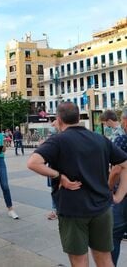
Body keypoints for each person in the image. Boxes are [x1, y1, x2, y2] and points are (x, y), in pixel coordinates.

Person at [27, 102, 127, 267]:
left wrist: (59, 176)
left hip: (73, 211)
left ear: (59, 119)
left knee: (79, 261)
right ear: (78, 118)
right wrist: (119, 195)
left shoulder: (58, 140)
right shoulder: (99, 138)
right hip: (102, 209)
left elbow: (33, 162)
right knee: (105, 259)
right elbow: (124, 164)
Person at [109, 107, 127, 266]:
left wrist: (108, 188)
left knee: (114, 235)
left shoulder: (121, 139)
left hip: (122, 196)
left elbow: (116, 169)